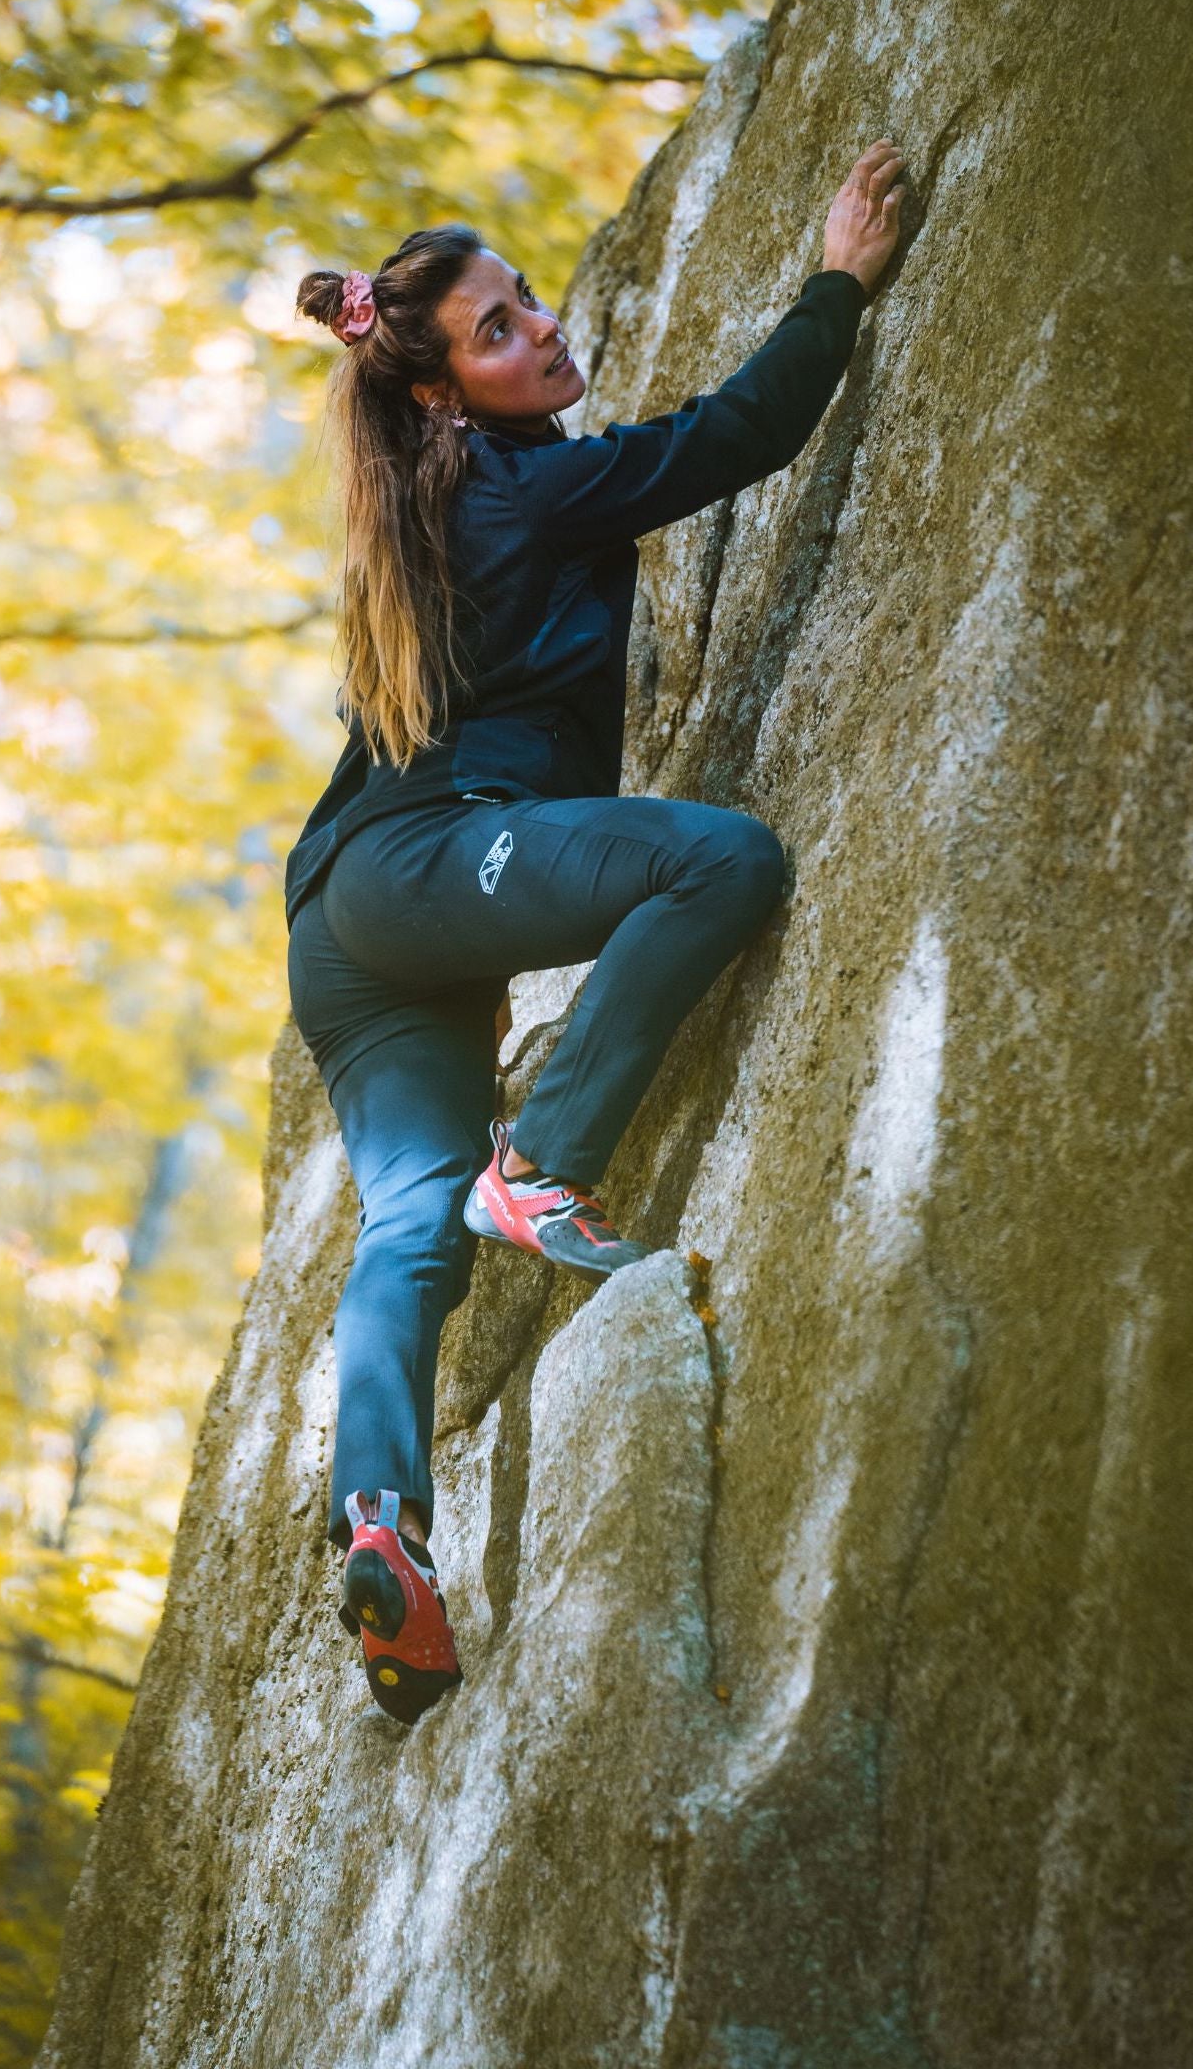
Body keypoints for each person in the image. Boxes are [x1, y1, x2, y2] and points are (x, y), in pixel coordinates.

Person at [284, 140, 906, 1721]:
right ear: (438, 393)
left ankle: (383, 1534)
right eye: (498, 331)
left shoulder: (437, 498)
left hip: (344, 932)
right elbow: (730, 438)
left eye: (526, 300)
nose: (540, 332)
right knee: (718, 865)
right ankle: (542, 1165)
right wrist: (837, 279)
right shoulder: (518, 489)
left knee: (404, 1227)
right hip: (413, 877)